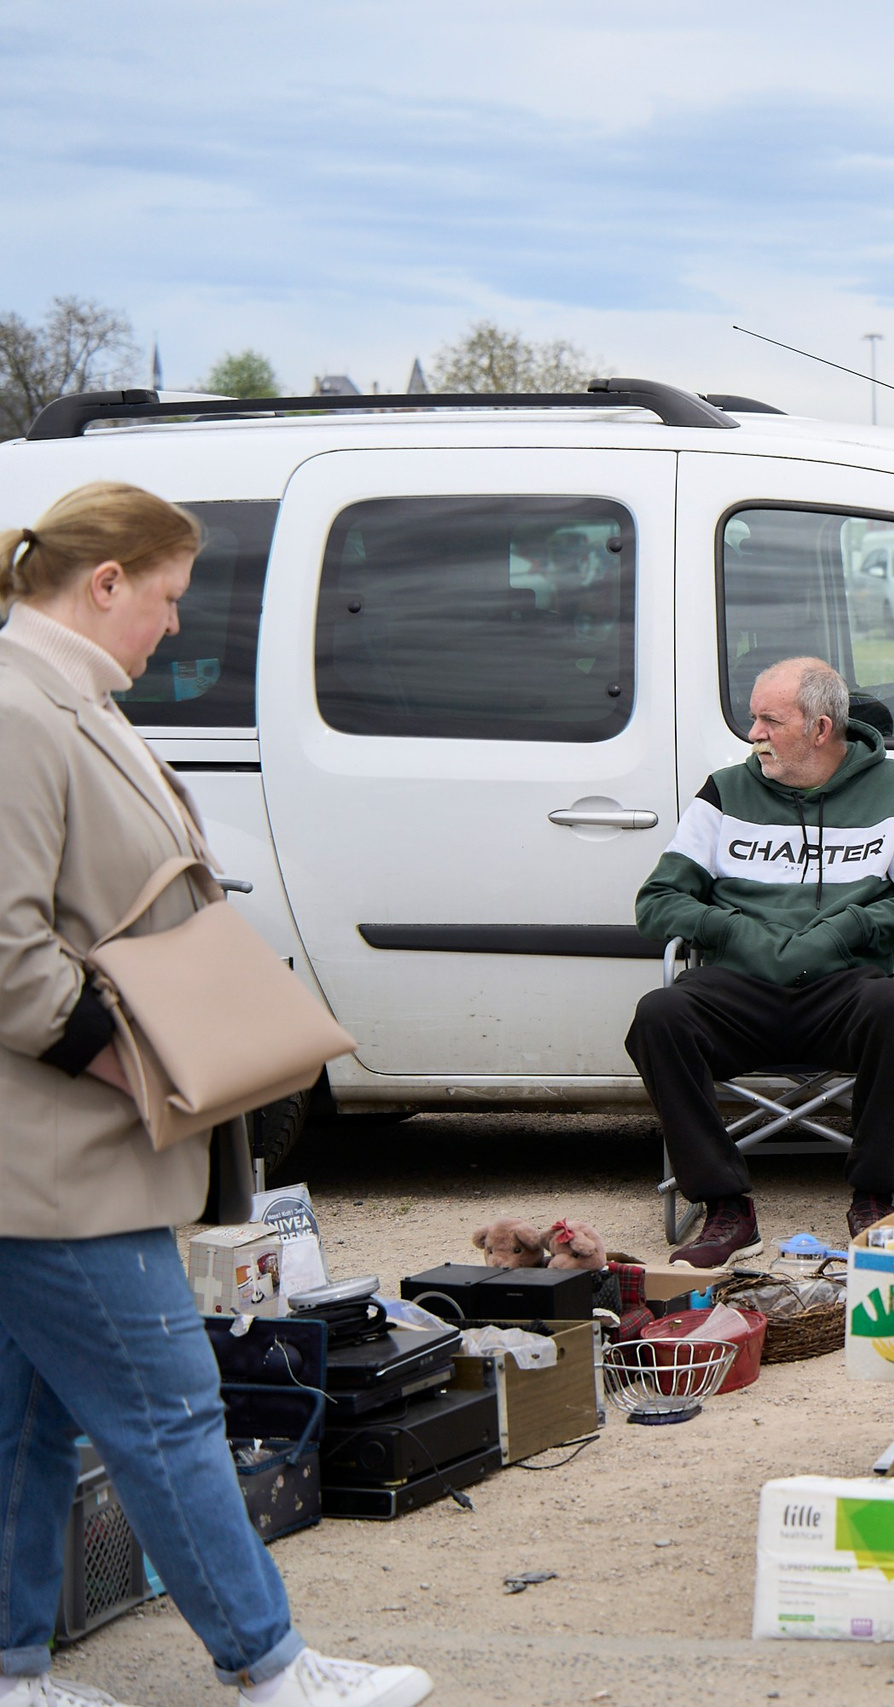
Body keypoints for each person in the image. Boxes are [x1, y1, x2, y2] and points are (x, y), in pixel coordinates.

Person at [0, 482, 434, 1707]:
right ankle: (272, 1668)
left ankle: (13, 1672)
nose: (177, 624)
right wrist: (139, 1064)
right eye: (169, 596)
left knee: (27, 1427)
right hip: (59, 1158)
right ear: (106, 584)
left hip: (55, 1151)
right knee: (169, 1411)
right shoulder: (22, 712)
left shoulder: (63, 699)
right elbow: (7, 954)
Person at [628, 657, 894, 1259]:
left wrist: (846, 929)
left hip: (843, 990)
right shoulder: (724, 791)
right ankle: (726, 1209)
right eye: (754, 719)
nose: (753, 734)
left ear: (820, 728)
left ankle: (875, 1197)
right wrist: (734, 931)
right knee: (659, 1015)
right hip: (738, 991)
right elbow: (656, 903)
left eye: (769, 721)